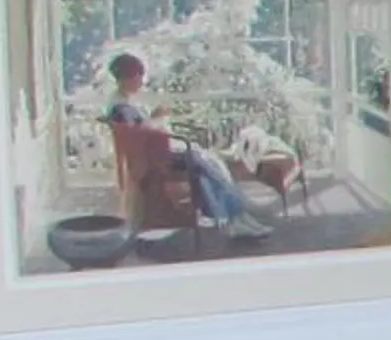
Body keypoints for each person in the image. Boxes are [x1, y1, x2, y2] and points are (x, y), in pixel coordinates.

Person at [104, 53, 271, 242]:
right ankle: (235, 217)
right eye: (138, 77)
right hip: (158, 157)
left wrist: (154, 118)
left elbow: (139, 129)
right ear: (127, 77)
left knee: (207, 170)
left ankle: (234, 219)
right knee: (209, 165)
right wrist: (157, 118)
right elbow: (138, 133)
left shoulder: (121, 100)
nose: (141, 81)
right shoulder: (121, 107)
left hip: (159, 150)